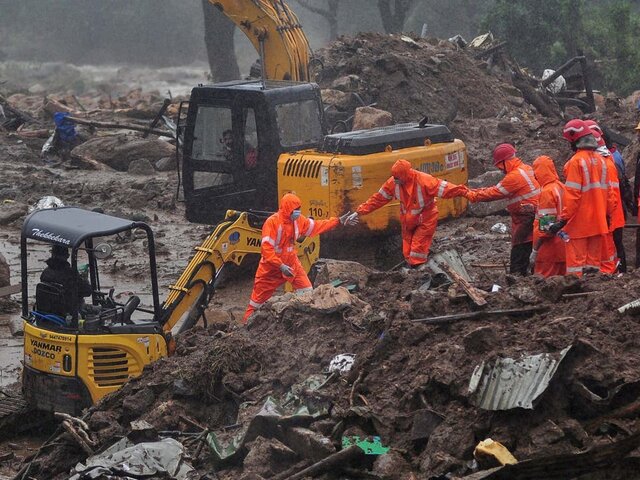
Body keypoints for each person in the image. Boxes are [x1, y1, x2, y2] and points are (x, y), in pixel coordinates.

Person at [243, 193, 352, 323]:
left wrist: (337, 221)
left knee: (307, 292)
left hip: (291, 264)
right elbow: (266, 250)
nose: (298, 211)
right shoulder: (272, 222)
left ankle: (300, 321)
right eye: (296, 208)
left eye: (299, 207)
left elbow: (316, 226)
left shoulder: (298, 220)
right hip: (270, 268)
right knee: (256, 304)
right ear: (287, 208)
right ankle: (244, 327)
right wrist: (280, 266)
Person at [345, 158, 468, 269]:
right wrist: (359, 212)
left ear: (404, 175)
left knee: (417, 250)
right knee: (407, 252)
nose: (395, 180)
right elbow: (377, 199)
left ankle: (419, 271)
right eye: (394, 177)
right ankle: (416, 269)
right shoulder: (394, 183)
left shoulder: (424, 181)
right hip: (408, 222)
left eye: (397, 177)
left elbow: (448, 189)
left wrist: (468, 193)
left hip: (425, 219)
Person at [548, 119, 617, 277]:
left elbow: (572, 195)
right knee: (593, 266)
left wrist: (562, 220)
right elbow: (610, 194)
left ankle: (577, 294)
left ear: (574, 139)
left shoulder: (575, 162)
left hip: (579, 225)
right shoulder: (602, 161)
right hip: (598, 223)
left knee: (576, 268)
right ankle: (591, 296)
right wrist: (606, 215)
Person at [465, 144, 541, 275]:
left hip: (526, 219)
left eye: (500, 166)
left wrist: (470, 194)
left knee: (519, 252)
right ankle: (528, 274)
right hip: (532, 216)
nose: (500, 170)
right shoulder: (526, 169)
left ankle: (518, 278)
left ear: (505, 162)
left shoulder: (513, 177)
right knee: (529, 250)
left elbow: (493, 193)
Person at [584, 120, 624, 274]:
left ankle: (618, 273)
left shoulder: (605, 162)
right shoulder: (609, 159)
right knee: (614, 249)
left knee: (612, 248)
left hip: (608, 215)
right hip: (611, 213)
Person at [529, 156, 566, 277]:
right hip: (564, 247)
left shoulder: (547, 192)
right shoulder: (561, 187)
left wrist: (535, 250)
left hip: (549, 252)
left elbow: (546, 228)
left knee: (544, 285)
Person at [40, 245, 93, 315]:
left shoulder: (45, 272)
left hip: (49, 310)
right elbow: (87, 291)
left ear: (52, 254)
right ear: (67, 256)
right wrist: (85, 279)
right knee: (99, 310)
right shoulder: (70, 273)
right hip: (69, 313)